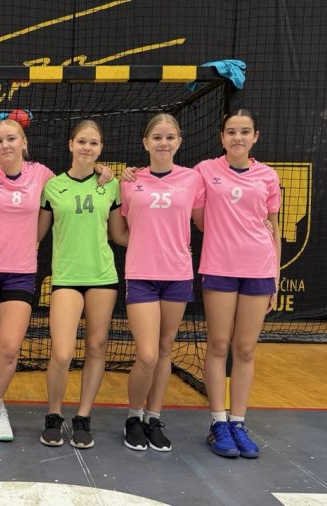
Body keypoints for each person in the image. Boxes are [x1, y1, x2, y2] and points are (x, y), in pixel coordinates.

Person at [37, 119, 126, 449]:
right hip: (66, 277)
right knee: (62, 353)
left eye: (94, 143)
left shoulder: (111, 185)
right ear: (71, 145)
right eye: (82, 141)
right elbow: (35, 234)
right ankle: (53, 415)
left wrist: (163, 241)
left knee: (96, 347)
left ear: (100, 148)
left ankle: (83, 417)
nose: (87, 147)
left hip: (103, 276)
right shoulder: (52, 186)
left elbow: (119, 235)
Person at [118, 113, 205, 453]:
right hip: (141, 274)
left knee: (166, 349)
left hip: (177, 274)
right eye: (157, 137)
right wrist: (147, 243)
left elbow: (204, 222)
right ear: (145, 143)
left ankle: (153, 418)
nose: (163, 143)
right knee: (147, 354)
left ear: (179, 141)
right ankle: (133, 417)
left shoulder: (193, 179)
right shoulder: (130, 181)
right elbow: (120, 232)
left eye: (170, 137)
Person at [197, 109, 280, 459]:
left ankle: (239, 422)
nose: (238, 137)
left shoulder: (268, 176)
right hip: (219, 266)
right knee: (218, 344)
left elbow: (274, 227)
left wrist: (275, 277)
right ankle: (219, 423)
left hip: (258, 268)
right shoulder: (205, 171)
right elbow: (196, 214)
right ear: (222, 137)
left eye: (245, 131)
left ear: (255, 137)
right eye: (231, 131)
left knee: (245, 348)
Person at [0, 119, 55, 443]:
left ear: (23, 142)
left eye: (11, 139)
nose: (5, 145)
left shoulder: (42, 175)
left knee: (9, 347)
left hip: (21, 270)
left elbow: (71, 187)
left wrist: (103, 173)